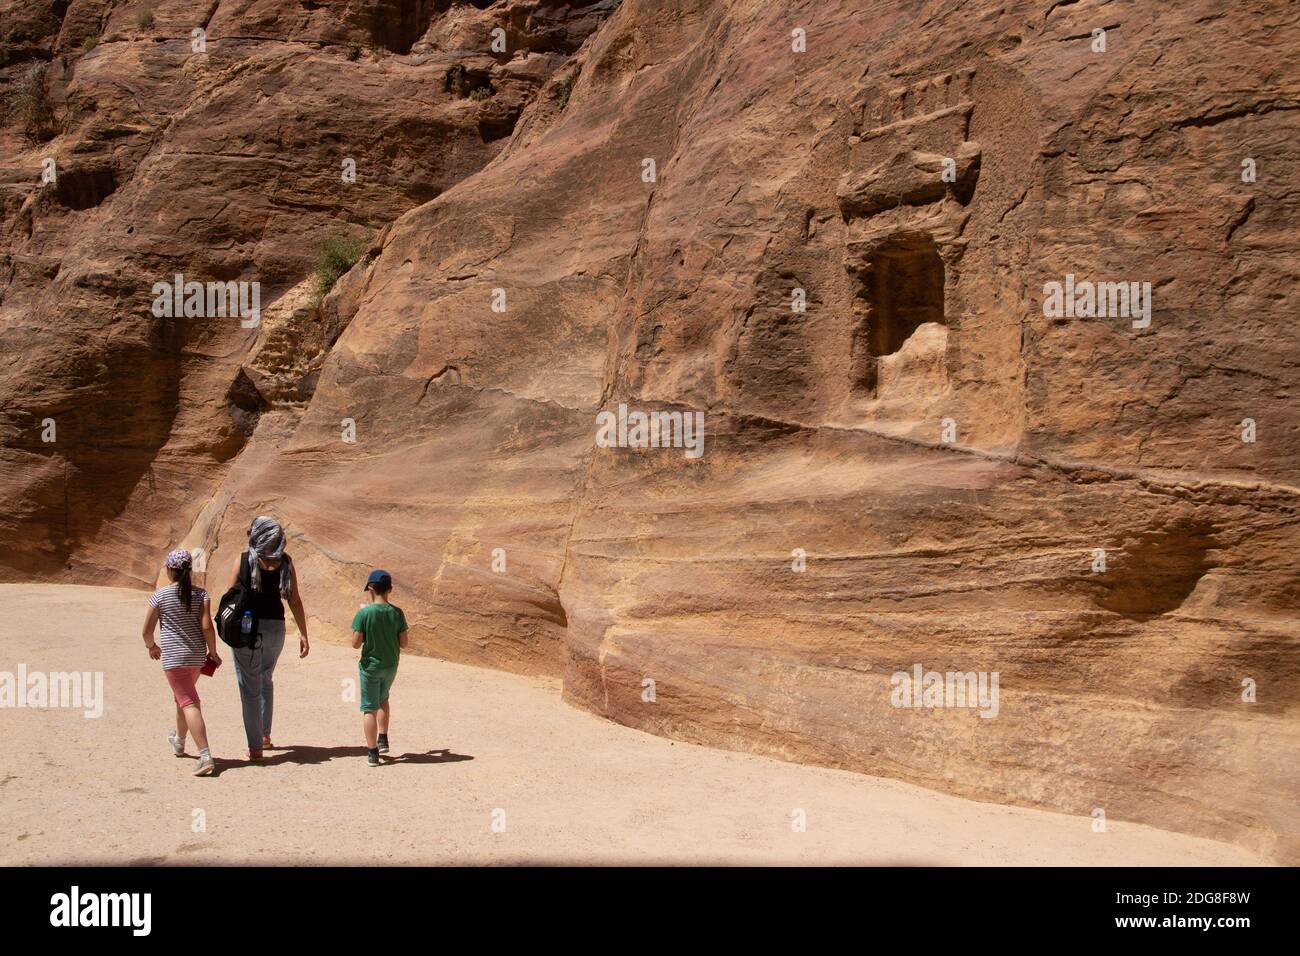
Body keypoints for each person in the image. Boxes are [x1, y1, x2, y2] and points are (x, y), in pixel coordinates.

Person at [227, 516, 310, 760]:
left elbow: (230, 596)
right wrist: (303, 633)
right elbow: (294, 599)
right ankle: (264, 735)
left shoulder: (244, 560)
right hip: (276, 628)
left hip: (247, 628)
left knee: (249, 686)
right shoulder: (285, 562)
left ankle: (255, 748)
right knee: (265, 678)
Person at [142, 549, 219, 776]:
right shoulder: (201, 595)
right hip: (196, 656)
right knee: (182, 698)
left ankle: (205, 755)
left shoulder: (160, 596)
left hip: (174, 658)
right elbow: (207, 626)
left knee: (189, 702)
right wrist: (212, 652)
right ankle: (179, 741)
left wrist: (151, 646)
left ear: (169, 570)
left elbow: (146, 630)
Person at [351, 570, 409, 767]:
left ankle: (372, 751)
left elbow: (355, 644)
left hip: (370, 667)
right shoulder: (397, 613)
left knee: (369, 708)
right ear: (390, 589)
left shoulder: (364, 613)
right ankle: (383, 738)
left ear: (370, 588)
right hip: (391, 665)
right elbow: (404, 643)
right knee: (383, 698)